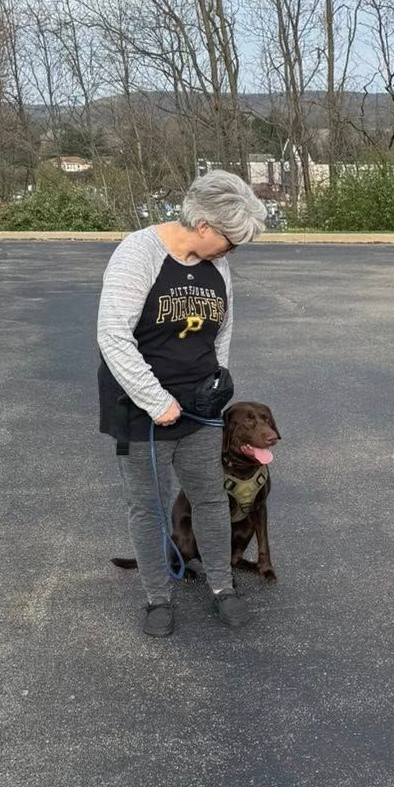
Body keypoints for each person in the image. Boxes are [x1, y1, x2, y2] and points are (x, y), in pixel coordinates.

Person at [98, 170, 267, 636]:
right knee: (147, 505)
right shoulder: (139, 253)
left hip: (199, 409)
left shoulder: (218, 264)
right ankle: (157, 597)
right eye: (231, 241)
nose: (233, 251)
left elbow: (221, 327)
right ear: (205, 227)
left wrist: (217, 380)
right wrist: (156, 401)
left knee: (210, 498)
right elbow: (112, 336)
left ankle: (221, 587)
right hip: (142, 411)